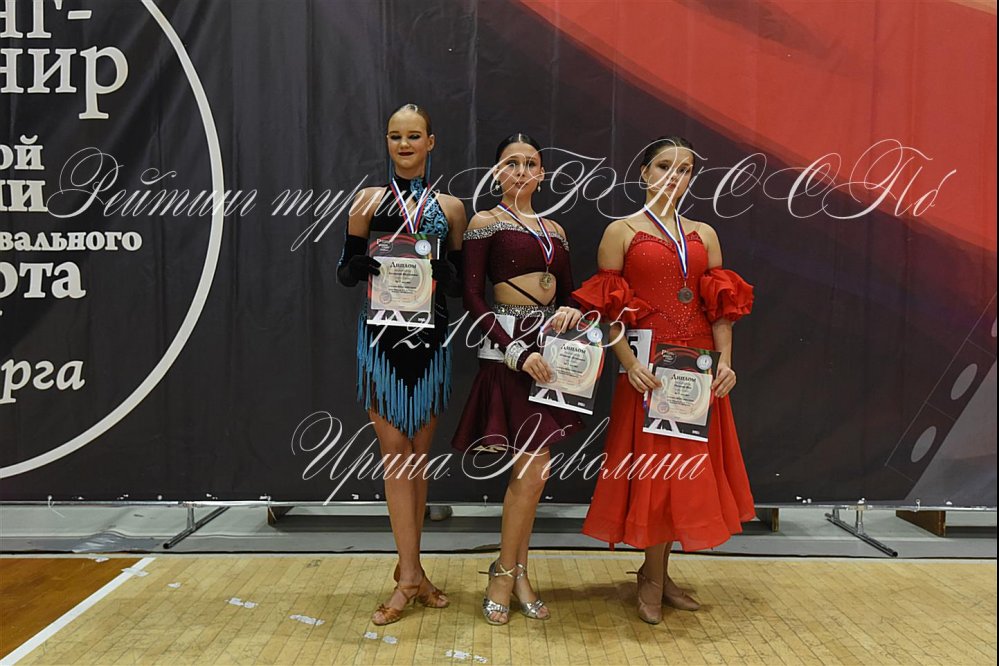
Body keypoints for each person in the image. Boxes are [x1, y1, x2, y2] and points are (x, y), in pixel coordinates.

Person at [572, 136, 755, 624]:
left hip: (696, 368)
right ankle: (652, 578)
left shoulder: (704, 233)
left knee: (685, 475)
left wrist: (725, 362)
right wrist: (629, 363)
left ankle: (657, 572)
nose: (674, 176)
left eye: (685, 169)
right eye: (664, 166)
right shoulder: (621, 231)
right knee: (657, 473)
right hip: (649, 371)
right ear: (644, 173)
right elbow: (607, 309)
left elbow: (720, 307)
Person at [336, 103, 467, 625]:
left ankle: (411, 571)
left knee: (418, 456)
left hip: (430, 340)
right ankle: (411, 576)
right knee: (395, 455)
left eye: (414, 135)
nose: (405, 144)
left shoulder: (451, 208)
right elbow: (344, 269)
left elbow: (461, 282)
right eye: (395, 136)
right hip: (381, 341)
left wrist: (444, 271)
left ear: (430, 142)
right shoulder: (367, 200)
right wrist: (357, 265)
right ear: (387, 142)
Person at [452, 133, 584, 625]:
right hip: (509, 354)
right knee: (531, 471)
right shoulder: (485, 222)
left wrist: (572, 312)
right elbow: (472, 296)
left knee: (533, 474)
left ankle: (515, 571)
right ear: (497, 171)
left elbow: (570, 293)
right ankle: (505, 574)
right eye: (512, 163)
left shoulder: (556, 229)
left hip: (549, 357)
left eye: (531, 163)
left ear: (543, 174)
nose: (522, 171)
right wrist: (513, 350)